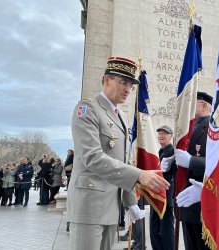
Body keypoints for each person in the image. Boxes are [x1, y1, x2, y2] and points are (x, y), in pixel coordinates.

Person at [68, 57, 170, 250]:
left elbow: (122, 160)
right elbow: (93, 158)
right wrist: (139, 175)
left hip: (111, 206)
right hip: (89, 205)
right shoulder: (88, 108)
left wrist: (130, 201)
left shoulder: (120, 116)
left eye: (131, 85)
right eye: (123, 82)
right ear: (107, 80)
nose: (128, 89)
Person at [175, 91, 212, 250]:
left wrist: (192, 161)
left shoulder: (212, 127)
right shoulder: (189, 127)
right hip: (186, 201)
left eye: (193, 102)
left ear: (203, 105)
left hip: (202, 200)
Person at [149, 125, 176, 250]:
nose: (161, 135)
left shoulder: (172, 152)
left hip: (166, 197)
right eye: (159, 133)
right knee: (154, 230)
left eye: (164, 133)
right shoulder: (159, 152)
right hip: (155, 195)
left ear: (171, 136)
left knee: (166, 232)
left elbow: (173, 174)